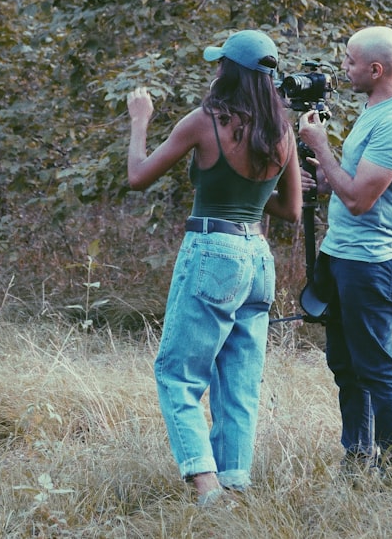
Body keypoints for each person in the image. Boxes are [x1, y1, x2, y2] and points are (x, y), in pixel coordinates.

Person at [127, 29, 302, 505]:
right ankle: (235, 484)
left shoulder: (206, 122)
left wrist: (140, 121)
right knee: (239, 382)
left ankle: (206, 487)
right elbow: (290, 212)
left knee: (178, 374)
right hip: (257, 258)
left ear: (230, 71)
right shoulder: (283, 130)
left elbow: (138, 177)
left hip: (212, 250)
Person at [297, 26, 392, 477]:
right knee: (345, 363)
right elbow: (346, 185)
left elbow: (360, 200)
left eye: (350, 62)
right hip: (343, 253)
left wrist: (321, 147)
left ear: (375, 69)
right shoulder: (373, 110)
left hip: (372, 262)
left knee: (374, 365)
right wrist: (323, 174)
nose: (343, 69)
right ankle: (357, 456)